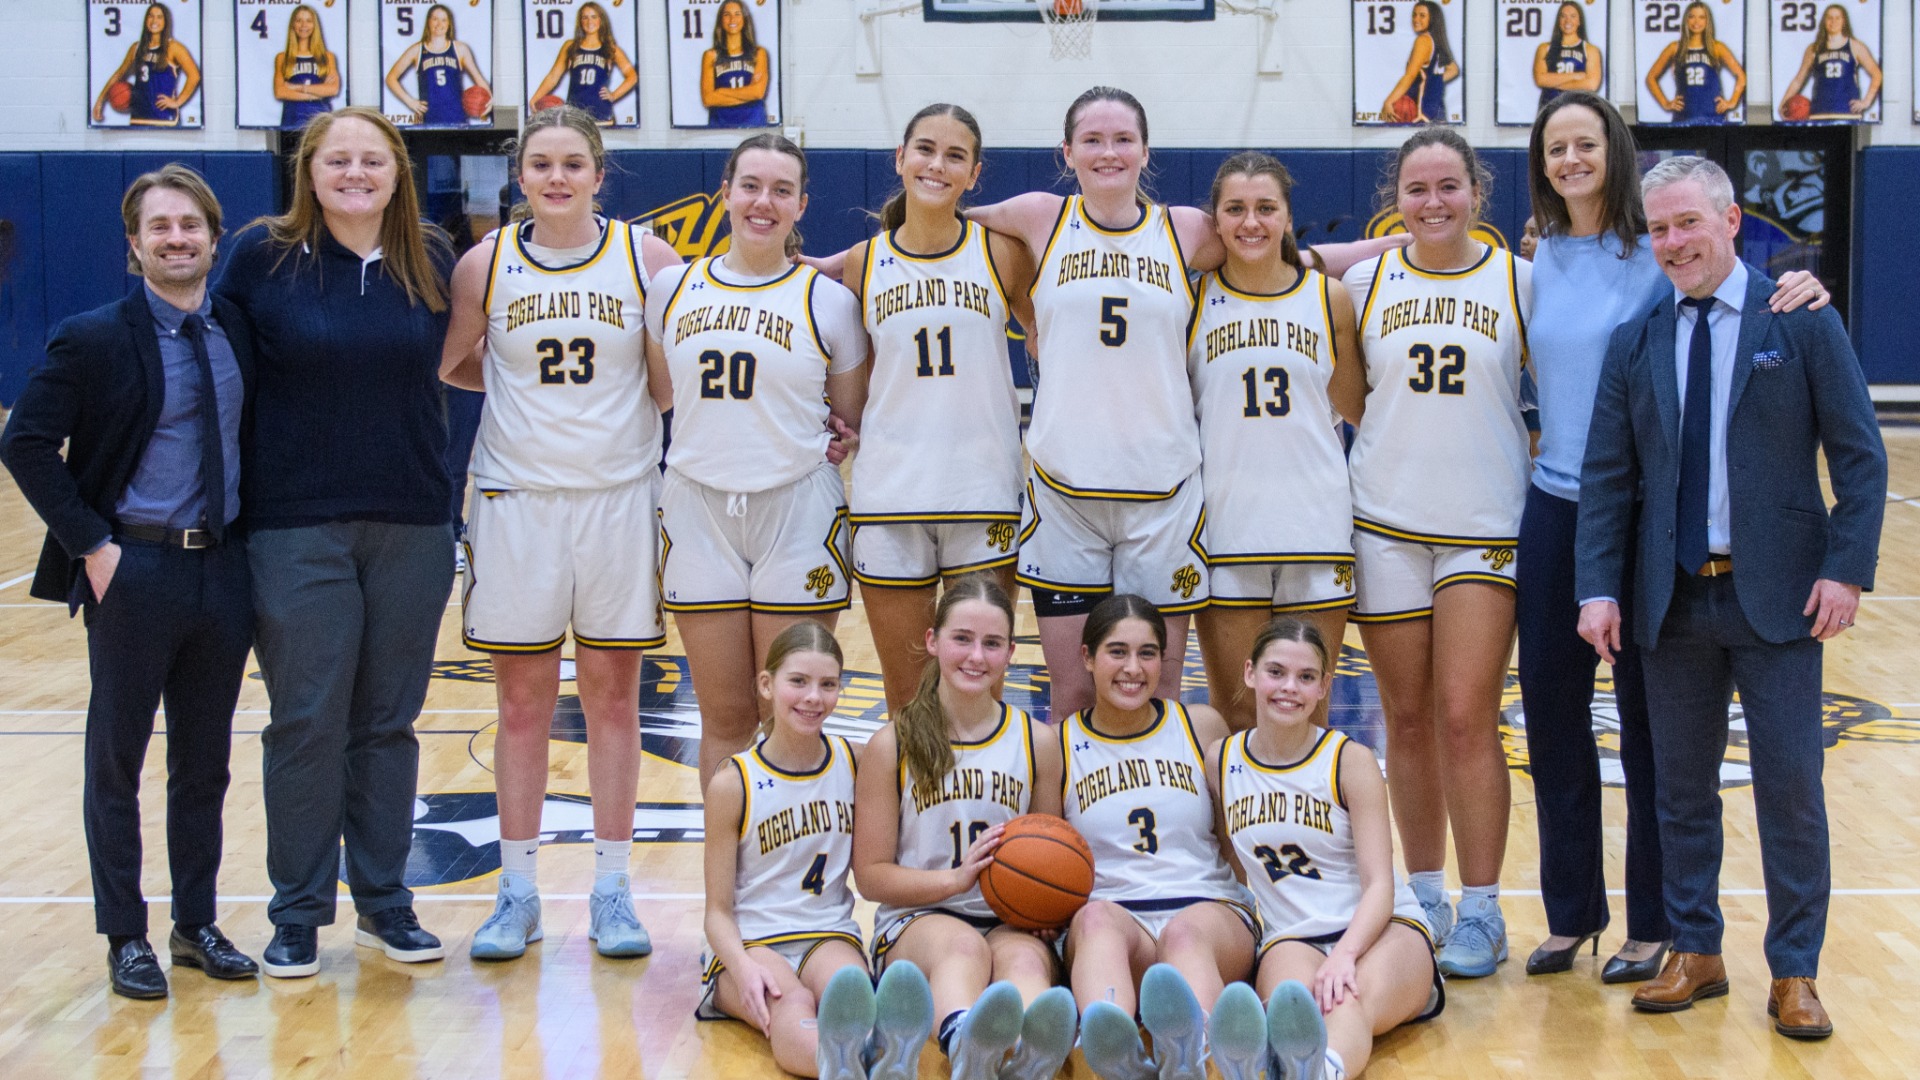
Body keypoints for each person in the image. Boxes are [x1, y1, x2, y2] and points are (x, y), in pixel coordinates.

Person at [1519, 92, 1830, 985]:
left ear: (1613, 150)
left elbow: (1739, 281)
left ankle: (1659, 926)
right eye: (1555, 148)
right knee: (1552, 724)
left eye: (1585, 143)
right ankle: (1572, 913)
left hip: (1649, 515)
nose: (1571, 159)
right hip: (1554, 503)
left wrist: (1806, 282)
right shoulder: (1537, 259)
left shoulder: (1659, 244)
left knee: (1655, 736)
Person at [1575, 155, 1886, 1040]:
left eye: (1688, 224)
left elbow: (1860, 457)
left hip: (1782, 598)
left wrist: (1846, 567)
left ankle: (1795, 970)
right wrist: (1597, 586)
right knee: (1677, 791)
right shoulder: (1637, 338)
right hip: (1670, 601)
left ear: (1731, 220)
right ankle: (1696, 950)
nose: (1673, 243)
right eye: (1660, 229)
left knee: (1791, 788)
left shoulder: (1800, 319)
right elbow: (1606, 478)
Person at [0, 165, 256, 1000]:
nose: (176, 238)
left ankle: (196, 923)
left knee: (206, 762)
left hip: (221, 569)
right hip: (134, 568)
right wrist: (95, 548)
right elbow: (26, 444)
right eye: (159, 227)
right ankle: (125, 935)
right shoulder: (94, 336)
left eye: (190, 225)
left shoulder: (238, 331)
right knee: (117, 760)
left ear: (215, 240)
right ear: (132, 247)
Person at [438, 106, 685, 961]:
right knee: (521, 704)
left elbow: (665, 383)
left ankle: (613, 888)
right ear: (519, 175)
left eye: (572, 164)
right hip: (516, 500)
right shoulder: (486, 263)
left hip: (618, 498)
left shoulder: (647, 259)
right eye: (540, 164)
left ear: (598, 172)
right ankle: (517, 893)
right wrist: (526, 407)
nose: (555, 178)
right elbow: (456, 362)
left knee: (617, 700)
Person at [215, 106, 456, 979]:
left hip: (414, 521)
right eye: (337, 160)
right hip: (295, 525)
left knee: (387, 724)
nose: (356, 173)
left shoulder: (432, 256)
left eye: (372, 160)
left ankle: (387, 905)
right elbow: (213, 380)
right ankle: (298, 915)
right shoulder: (259, 257)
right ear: (308, 172)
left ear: (397, 170)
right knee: (308, 721)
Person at [1332, 127, 1530, 980]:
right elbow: (1352, 397)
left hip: (1485, 522)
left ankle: (1483, 906)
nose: (1434, 202)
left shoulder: (1521, 282)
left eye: (1450, 186)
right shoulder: (1361, 282)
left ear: (1477, 194)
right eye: (1418, 189)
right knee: (1403, 720)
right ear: (1397, 200)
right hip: (1385, 519)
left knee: (1465, 717)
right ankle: (1422, 893)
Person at [645, 133, 869, 786]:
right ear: (726, 193)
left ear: (801, 204)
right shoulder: (671, 288)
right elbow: (665, 392)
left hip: (797, 509)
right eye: (750, 186)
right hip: (696, 508)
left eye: (780, 190)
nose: (762, 202)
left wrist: (837, 433)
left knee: (792, 716)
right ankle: (725, 887)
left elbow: (846, 413)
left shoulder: (829, 301)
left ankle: (791, 880)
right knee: (725, 715)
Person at [837, 104, 1032, 715]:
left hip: (983, 492)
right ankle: (914, 813)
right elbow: (855, 383)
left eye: (955, 156)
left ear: (974, 174)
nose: (936, 165)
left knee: (981, 696)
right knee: (908, 699)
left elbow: (1055, 343)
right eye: (924, 149)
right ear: (899, 159)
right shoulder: (861, 263)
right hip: (891, 496)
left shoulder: (1002, 253)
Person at [851, 577, 1076, 1080]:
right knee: (963, 948)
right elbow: (869, 876)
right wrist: (954, 881)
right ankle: (964, 1043)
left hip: (1007, 919)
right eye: (962, 639)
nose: (976, 656)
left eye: (992, 643)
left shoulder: (1037, 741)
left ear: (1011, 653)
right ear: (933, 641)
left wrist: (1045, 908)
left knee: (1025, 962)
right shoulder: (892, 744)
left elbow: (1051, 849)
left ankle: (1026, 1055)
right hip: (919, 919)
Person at [1204, 619, 1442, 1080]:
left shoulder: (1348, 760)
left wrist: (1345, 955)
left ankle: (1321, 1073)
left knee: (1347, 998)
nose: (1289, 688)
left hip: (1383, 929)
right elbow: (1229, 857)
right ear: (1250, 673)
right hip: (1291, 936)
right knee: (1298, 1011)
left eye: (1306, 677)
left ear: (1323, 686)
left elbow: (1378, 885)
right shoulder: (1222, 760)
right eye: (1276, 672)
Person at [700, 621, 934, 1079]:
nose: (813, 698)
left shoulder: (856, 762)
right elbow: (716, 912)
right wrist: (742, 968)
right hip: (752, 942)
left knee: (852, 995)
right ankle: (843, 1068)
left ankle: (880, 1058)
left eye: (827, 685)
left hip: (828, 933)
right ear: (766, 685)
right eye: (798, 682)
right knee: (791, 1007)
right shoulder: (734, 782)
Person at [1188, 152, 1360, 732]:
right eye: (1235, 209)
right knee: (1238, 715)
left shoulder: (1328, 298)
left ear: (1287, 217)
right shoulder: (1189, 303)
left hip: (1316, 523)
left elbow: (1357, 407)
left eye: (1266, 208)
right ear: (1215, 221)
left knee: (1308, 716)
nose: (1251, 222)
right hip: (1227, 526)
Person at [1057, 595, 1256, 1080]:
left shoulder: (1199, 725)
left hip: (1209, 914)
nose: (1133, 668)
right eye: (1117, 651)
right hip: (1118, 921)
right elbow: (1049, 852)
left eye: (1148, 653)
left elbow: (1233, 840)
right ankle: (1109, 1046)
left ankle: (1197, 1056)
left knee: (1184, 935)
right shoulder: (1059, 745)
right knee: (1098, 919)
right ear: (1087, 658)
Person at [527, 2, 638, 125]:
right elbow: (553, 77)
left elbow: (632, 76)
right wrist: (535, 98)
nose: (589, 21)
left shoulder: (611, 48)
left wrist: (614, 95)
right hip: (574, 117)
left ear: (601, 20)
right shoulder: (570, 46)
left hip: (602, 116)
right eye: (585, 17)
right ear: (580, 21)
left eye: (593, 16)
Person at [92, 3, 200, 127]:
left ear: (166, 21)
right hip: (138, 118)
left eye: (159, 17)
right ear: (146, 20)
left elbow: (194, 76)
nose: (154, 20)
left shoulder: (174, 48)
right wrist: (101, 100)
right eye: (151, 16)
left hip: (164, 119)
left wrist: (177, 102)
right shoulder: (136, 48)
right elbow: (119, 74)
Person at [384, 3, 491, 126]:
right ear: (428, 21)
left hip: (458, 119)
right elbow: (391, 78)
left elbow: (479, 79)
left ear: (449, 23)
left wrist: (490, 99)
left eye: (444, 20)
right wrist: (410, 102)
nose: (439, 24)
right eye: (435, 19)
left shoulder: (460, 49)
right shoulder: (417, 50)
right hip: (429, 120)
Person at [1777, 4, 1883, 121]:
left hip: (1847, 113)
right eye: (1829, 18)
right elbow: (1798, 80)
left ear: (1844, 21)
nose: (1833, 21)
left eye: (1838, 18)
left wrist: (1866, 102)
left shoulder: (1855, 46)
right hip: (1819, 113)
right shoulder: (1814, 49)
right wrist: (1783, 103)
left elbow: (1876, 74)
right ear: (1824, 21)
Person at [1644, 1, 1744, 125]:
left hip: (1713, 116)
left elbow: (1741, 76)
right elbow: (1651, 77)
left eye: (1701, 17)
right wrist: (1665, 103)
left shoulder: (1717, 47)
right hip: (1684, 116)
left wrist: (1732, 101)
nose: (1696, 22)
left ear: (1708, 21)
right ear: (1686, 20)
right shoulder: (1675, 48)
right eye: (1692, 16)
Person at [1381, 1, 1458, 124]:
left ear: (1432, 18)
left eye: (1422, 15)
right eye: (1414, 14)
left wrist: (1388, 101)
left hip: (1421, 113)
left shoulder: (1423, 41)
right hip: (1437, 111)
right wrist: (1432, 83)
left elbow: (1410, 76)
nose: (1416, 19)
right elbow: (1453, 70)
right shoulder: (1436, 40)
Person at [701, 0, 771, 128]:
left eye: (737, 14)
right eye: (727, 14)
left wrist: (721, 92)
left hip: (753, 122)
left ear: (744, 19)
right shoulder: (711, 55)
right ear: (721, 20)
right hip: (720, 124)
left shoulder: (758, 53)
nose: (732, 19)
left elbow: (758, 92)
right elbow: (708, 98)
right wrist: (747, 94)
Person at [274, 5, 339, 131]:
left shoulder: (327, 56)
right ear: (293, 24)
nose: (304, 25)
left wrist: (297, 87)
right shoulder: (282, 57)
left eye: (308, 21)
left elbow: (332, 89)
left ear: (315, 25)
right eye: (299, 20)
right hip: (292, 122)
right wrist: (316, 94)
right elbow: (280, 91)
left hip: (321, 122)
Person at [1533, 1, 1603, 112]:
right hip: (1549, 108)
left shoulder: (1590, 50)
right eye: (1563, 16)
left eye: (1573, 16)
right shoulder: (1544, 48)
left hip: (1580, 110)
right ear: (1558, 20)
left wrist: (1555, 83)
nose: (1568, 21)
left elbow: (1591, 84)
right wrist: (1576, 76)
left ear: (1579, 21)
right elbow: (1540, 79)